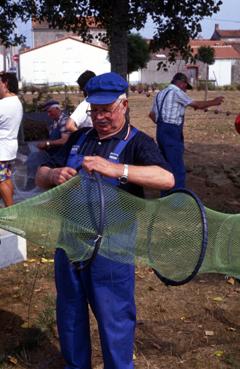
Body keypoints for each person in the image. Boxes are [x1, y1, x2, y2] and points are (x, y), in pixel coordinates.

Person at [36, 72, 175, 369]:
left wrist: (117, 170)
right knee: (70, 313)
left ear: (123, 105)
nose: (99, 117)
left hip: (113, 245)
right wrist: (53, 175)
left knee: (115, 318)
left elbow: (166, 178)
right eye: (94, 110)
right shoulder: (78, 138)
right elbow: (39, 175)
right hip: (70, 240)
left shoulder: (138, 143)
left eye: (106, 110)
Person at [149, 72, 224, 192]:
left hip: (160, 132)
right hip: (172, 133)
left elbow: (152, 115)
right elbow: (197, 105)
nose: (186, 90)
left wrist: (163, 125)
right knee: (177, 168)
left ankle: (165, 195)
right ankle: (177, 200)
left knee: (166, 166)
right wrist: (214, 102)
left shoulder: (160, 93)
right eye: (185, 87)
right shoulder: (176, 92)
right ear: (181, 83)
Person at [26, 99, 70, 182]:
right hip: (53, 152)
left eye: (50, 111)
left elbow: (64, 140)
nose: (48, 115)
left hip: (61, 155)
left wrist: (47, 143)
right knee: (33, 157)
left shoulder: (65, 120)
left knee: (35, 158)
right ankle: (34, 182)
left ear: (57, 109)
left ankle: (32, 183)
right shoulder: (54, 123)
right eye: (47, 112)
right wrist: (44, 145)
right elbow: (53, 139)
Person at [0, 72, 23, 206]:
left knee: (1, 181)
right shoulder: (16, 102)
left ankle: (11, 211)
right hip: (9, 147)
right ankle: (10, 209)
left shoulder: (4, 104)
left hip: (2, 148)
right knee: (6, 179)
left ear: (5, 84)